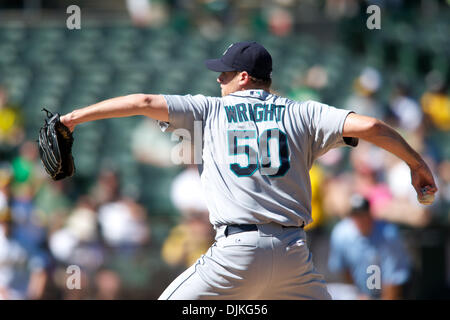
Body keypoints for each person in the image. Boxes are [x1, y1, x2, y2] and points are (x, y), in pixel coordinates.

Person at [59, 41, 437, 299]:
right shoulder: (303, 111)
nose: (218, 78)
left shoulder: (210, 110)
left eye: (224, 73)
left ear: (243, 77)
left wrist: (73, 118)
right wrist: (416, 164)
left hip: (236, 251)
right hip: (294, 255)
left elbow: (142, 101)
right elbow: (370, 126)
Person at [327, 194, 411, 300]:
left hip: (386, 292)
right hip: (358, 293)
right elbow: (343, 270)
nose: (360, 219)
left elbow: (393, 277)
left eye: (363, 214)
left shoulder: (388, 234)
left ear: (370, 214)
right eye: (356, 215)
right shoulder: (341, 233)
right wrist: (358, 294)